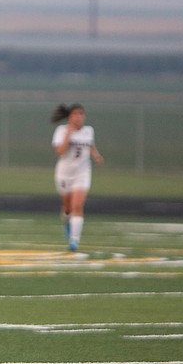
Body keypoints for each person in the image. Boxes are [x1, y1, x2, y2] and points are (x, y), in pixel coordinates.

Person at [51, 103, 103, 252]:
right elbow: (60, 151)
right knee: (67, 208)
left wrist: (97, 156)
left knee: (77, 206)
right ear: (70, 117)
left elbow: (90, 146)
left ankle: (74, 240)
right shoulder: (61, 131)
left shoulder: (88, 131)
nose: (78, 117)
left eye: (81, 114)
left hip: (83, 173)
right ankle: (67, 222)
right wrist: (69, 132)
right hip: (64, 174)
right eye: (75, 114)